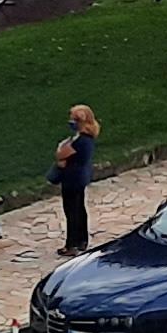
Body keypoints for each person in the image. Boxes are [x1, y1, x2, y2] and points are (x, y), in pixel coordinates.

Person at [51, 105, 101, 256]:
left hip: (72, 179)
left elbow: (61, 154)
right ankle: (82, 240)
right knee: (79, 208)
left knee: (71, 211)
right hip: (80, 178)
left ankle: (71, 244)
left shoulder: (80, 141)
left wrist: (61, 150)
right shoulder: (88, 138)